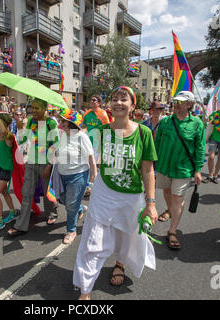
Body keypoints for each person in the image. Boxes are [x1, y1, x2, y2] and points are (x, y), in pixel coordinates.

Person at [73, 86, 157, 300]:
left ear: (133, 105)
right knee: (93, 240)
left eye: (124, 98)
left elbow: (147, 170)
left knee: (127, 235)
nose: (118, 102)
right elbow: (91, 153)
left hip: (131, 197)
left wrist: (151, 204)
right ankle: (86, 289)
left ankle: (120, 264)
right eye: (114, 98)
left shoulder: (144, 133)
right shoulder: (103, 131)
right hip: (104, 193)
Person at [154, 91, 205, 248]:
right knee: (167, 191)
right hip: (163, 166)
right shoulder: (165, 122)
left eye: (180, 102)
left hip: (183, 169)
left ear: (189, 105)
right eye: (175, 101)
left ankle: (172, 231)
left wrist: (197, 170)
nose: (176, 104)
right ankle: (170, 210)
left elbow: (200, 148)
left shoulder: (197, 124)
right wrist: (150, 163)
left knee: (178, 198)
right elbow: (156, 143)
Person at [7, 98, 59, 237]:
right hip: (31, 162)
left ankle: (52, 213)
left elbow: (56, 144)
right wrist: (20, 129)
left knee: (48, 192)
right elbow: (25, 140)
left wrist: (49, 164)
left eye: (37, 108)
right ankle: (21, 225)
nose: (34, 111)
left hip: (46, 163)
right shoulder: (30, 121)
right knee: (26, 193)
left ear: (44, 109)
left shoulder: (51, 122)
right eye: (32, 108)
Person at [57, 108, 97, 244]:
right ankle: (80, 208)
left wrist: (93, 176)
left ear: (71, 123)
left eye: (64, 121)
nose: (61, 123)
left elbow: (91, 157)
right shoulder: (63, 135)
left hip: (78, 176)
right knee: (60, 198)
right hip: (62, 175)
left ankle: (71, 230)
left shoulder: (81, 137)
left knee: (71, 204)